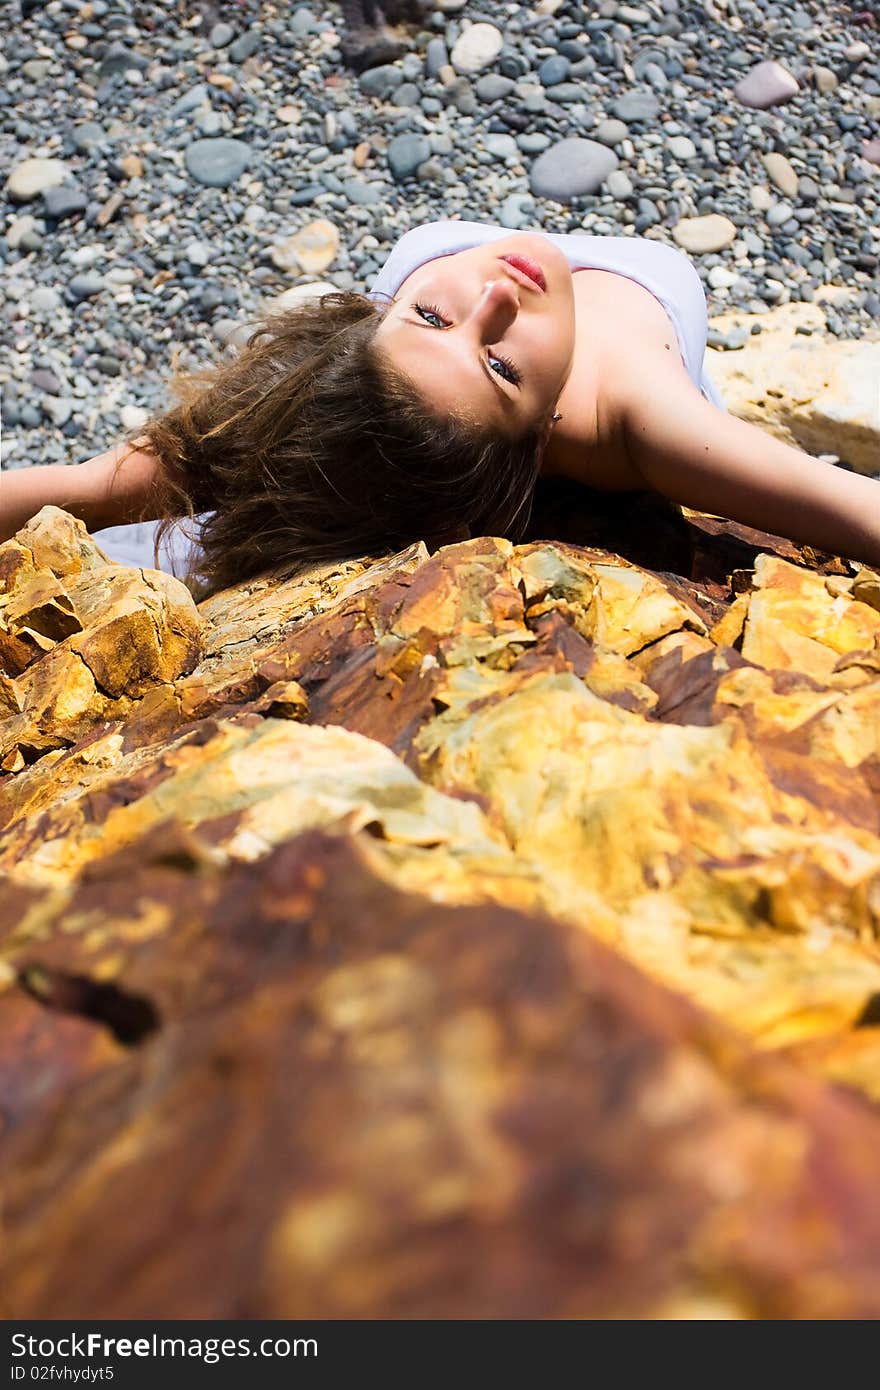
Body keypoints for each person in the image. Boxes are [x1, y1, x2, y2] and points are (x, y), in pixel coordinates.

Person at [2, 218, 879, 595]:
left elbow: (87, 484)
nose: (498, 299)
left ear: (366, 322)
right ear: (542, 433)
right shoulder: (644, 419)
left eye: (429, 315)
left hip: (365, 425)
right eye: (501, 369)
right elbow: (853, 510)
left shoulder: (354, 385)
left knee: (188, 476)